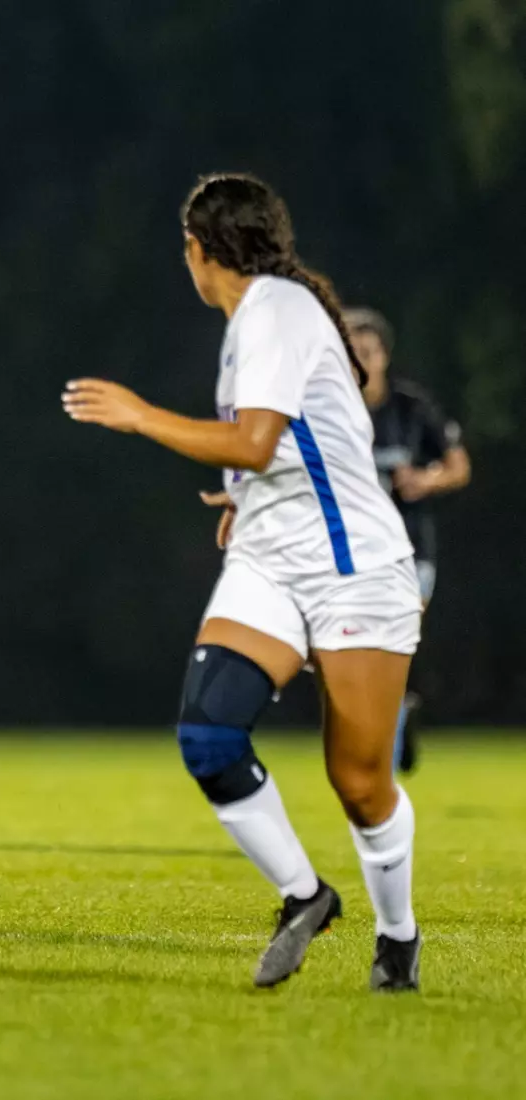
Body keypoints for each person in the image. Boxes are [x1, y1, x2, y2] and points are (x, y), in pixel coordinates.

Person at [63, 172, 422, 992]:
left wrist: (139, 414)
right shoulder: (254, 318)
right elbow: (285, 450)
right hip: (269, 561)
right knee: (209, 735)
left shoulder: (273, 311)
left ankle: (397, 938)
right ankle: (306, 894)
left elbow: (256, 441)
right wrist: (243, 499)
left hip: (352, 569)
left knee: (359, 782)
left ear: (198, 250)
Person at [346, 307, 471, 773]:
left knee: (392, 638)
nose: (357, 362)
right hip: (348, 552)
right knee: (357, 647)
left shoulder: (410, 408)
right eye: (349, 352)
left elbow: (458, 465)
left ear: (383, 356)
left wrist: (424, 480)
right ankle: (391, 720)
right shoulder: (327, 411)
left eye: (366, 352)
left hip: (409, 549)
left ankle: (389, 731)